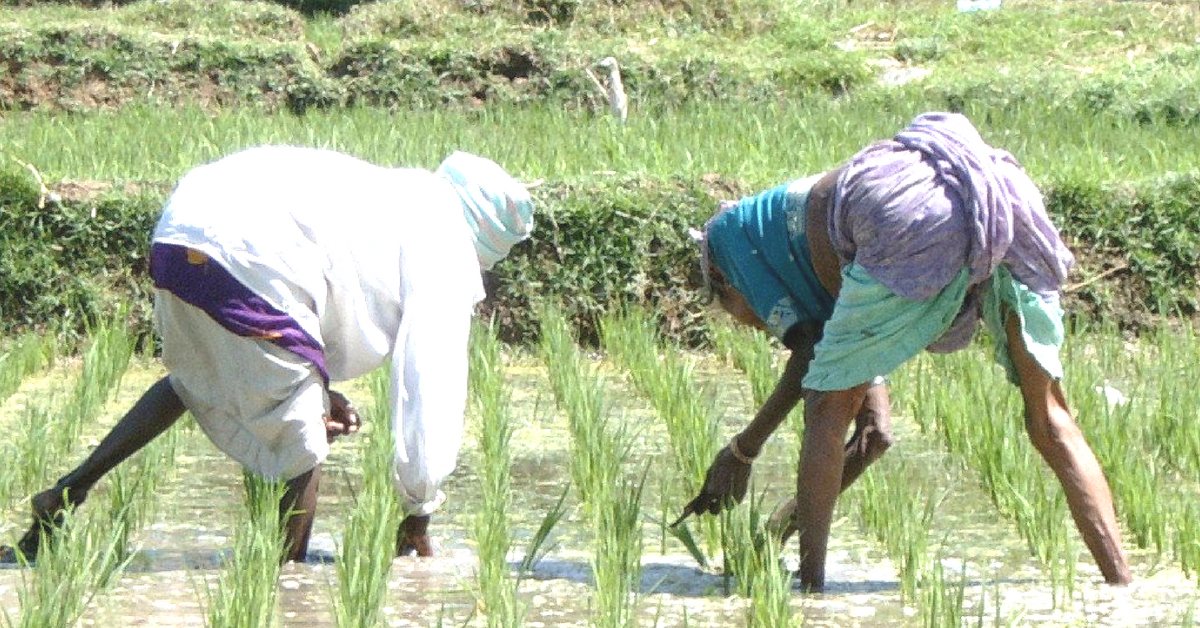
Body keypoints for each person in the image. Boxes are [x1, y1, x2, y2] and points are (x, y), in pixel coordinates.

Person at [0, 145, 534, 563]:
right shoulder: (444, 241)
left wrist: (317, 386)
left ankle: (65, 494)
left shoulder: (397, 196)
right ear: (485, 243)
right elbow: (429, 385)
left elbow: (326, 282)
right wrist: (418, 509)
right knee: (303, 441)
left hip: (183, 227)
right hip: (249, 247)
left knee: (195, 378)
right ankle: (284, 578)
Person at [682, 112, 1133, 591]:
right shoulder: (816, 269)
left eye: (732, 313)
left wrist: (742, 450)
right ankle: (1122, 587)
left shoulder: (729, 239)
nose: (748, 325)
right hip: (1005, 201)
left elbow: (811, 355)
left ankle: (810, 593)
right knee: (1049, 418)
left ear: (723, 287)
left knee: (826, 408)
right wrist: (768, 537)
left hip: (909, 212)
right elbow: (872, 426)